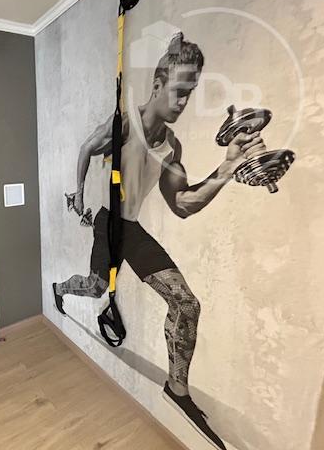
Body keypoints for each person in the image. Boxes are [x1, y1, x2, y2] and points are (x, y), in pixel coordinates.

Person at [53, 32, 266, 450]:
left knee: (187, 304)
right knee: (96, 287)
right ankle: (60, 288)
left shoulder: (172, 146)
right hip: (106, 221)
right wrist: (78, 191)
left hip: (131, 229)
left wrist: (227, 168)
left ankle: (177, 388)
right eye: (180, 91)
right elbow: (86, 147)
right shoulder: (125, 123)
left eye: (191, 93)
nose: (184, 102)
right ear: (157, 85)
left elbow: (183, 203)